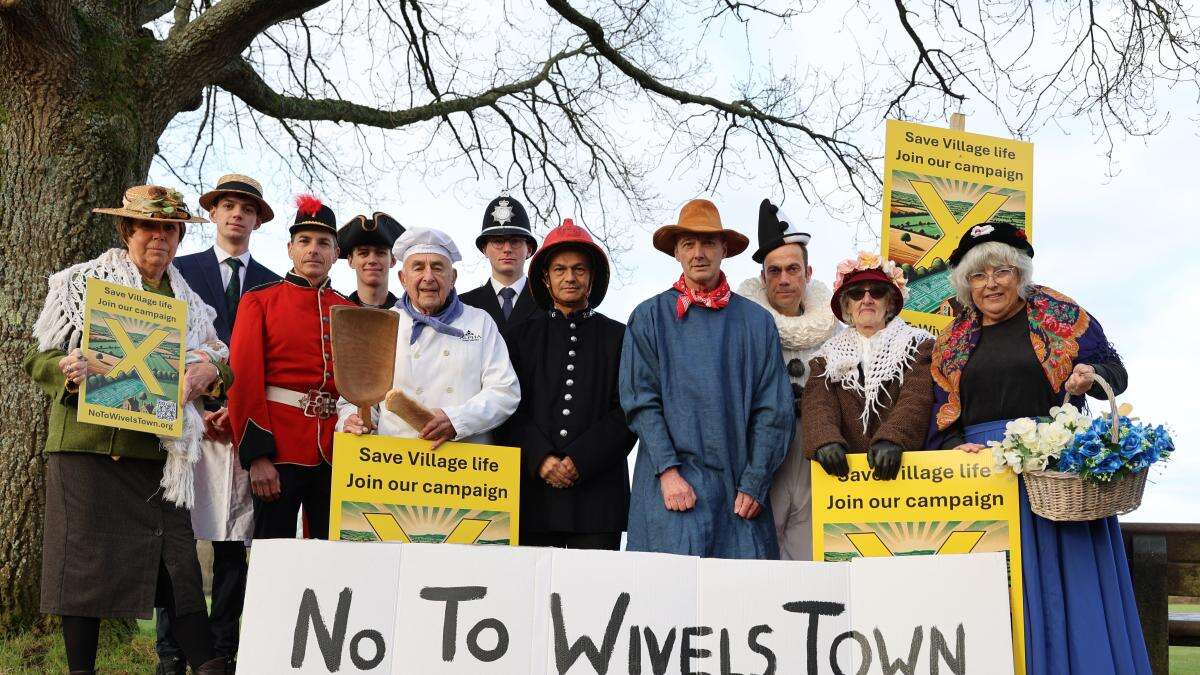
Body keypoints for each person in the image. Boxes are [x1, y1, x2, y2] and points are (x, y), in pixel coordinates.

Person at [24, 185, 232, 674]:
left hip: (159, 460)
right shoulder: (80, 285)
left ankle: (208, 667)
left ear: (179, 237)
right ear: (127, 231)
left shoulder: (192, 305)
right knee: (85, 568)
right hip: (88, 453)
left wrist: (214, 374)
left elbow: (218, 360)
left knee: (180, 565)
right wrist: (70, 370)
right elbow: (38, 359)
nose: (158, 238)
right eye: (148, 228)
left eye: (169, 230)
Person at [927, 222, 1146, 674]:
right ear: (966, 283)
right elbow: (940, 407)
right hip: (982, 476)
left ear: (1020, 273)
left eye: (1001, 271)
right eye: (978, 275)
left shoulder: (1058, 314)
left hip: (1053, 473)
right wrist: (952, 444)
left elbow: (1115, 372)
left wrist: (1087, 374)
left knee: (1065, 586)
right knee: (995, 591)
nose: (990, 284)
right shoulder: (952, 338)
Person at [619, 199, 793, 559]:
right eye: (688, 244)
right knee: (665, 601)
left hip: (738, 493)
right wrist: (667, 472)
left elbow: (773, 410)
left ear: (724, 249)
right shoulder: (648, 318)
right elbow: (640, 403)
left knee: (742, 604)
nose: (699, 253)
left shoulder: (757, 323)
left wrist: (756, 480)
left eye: (708, 243)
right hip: (671, 489)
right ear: (677, 253)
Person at [156, 174, 279, 673]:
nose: (236, 215)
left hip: (243, 429)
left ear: (256, 220)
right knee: (177, 541)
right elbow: (161, 341)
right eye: (227, 205)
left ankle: (224, 648)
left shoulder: (273, 282)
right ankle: (172, 650)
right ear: (212, 213)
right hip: (187, 423)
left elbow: (269, 360)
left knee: (233, 543)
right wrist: (200, 408)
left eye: (246, 209)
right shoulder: (179, 272)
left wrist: (239, 411)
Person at [499, 219, 636, 550]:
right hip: (531, 498)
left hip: (597, 501)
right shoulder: (518, 338)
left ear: (592, 277)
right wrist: (539, 458)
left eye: (579, 269)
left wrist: (581, 459)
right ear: (546, 278)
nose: (570, 278)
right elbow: (505, 406)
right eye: (559, 269)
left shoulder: (620, 337)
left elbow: (629, 409)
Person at [227, 195, 355, 542]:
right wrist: (257, 457)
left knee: (333, 556)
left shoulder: (347, 309)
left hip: (335, 450)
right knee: (273, 556)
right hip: (279, 448)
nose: (314, 250)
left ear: (336, 253)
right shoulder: (259, 301)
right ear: (290, 249)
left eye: (323, 243)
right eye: (305, 241)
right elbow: (244, 382)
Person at [339, 227, 519, 447]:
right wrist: (352, 420)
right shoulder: (382, 324)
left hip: (465, 464)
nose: (428, 277)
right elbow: (357, 395)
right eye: (418, 268)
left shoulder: (480, 322)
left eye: (437, 268)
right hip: (395, 462)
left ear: (452, 277)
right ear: (403, 278)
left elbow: (505, 392)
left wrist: (456, 420)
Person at [736, 199, 839, 560]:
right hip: (763, 452)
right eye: (774, 270)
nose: (783, 279)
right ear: (762, 277)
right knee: (759, 553)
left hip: (816, 451)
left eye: (792, 269)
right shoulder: (742, 326)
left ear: (807, 274)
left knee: (809, 555)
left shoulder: (835, 329)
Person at [802, 252, 935, 481]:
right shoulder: (825, 358)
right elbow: (818, 404)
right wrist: (825, 439)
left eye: (877, 291)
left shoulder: (918, 344)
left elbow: (916, 397)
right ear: (847, 305)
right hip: (848, 480)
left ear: (890, 302)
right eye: (856, 294)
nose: (867, 300)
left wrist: (893, 437)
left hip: (906, 474)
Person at [460, 195, 539, 330]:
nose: (507, 249)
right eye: (498, 241)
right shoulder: (462, 305)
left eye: (515, 241)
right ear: (484, 249)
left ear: (529, 250)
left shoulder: (548, 302)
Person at [337, 211, 404, 309]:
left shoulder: (407, 315)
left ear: (393, 260)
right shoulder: (337, 313)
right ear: (350, 261)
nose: (372, 260)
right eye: (363, 253)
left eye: (380, 253)